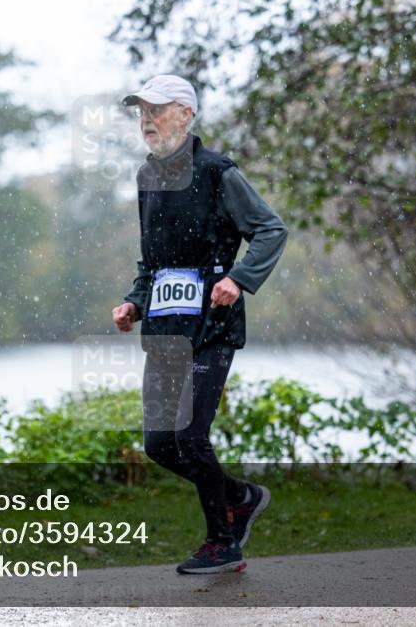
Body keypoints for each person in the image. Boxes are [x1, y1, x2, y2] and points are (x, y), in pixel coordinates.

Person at [111, 74, 289, 574]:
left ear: (186, 114)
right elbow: (152, 262)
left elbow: (270, 229)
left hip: (212, 326)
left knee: (190, 436)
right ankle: (242, 497)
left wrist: (239, 278)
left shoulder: (217, 171)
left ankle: (222, 542)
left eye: (157, 110)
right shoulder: (146, 177)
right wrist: (134, 302)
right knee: (159, 445)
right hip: (165, 328)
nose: (147, 120)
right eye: (142, 111)